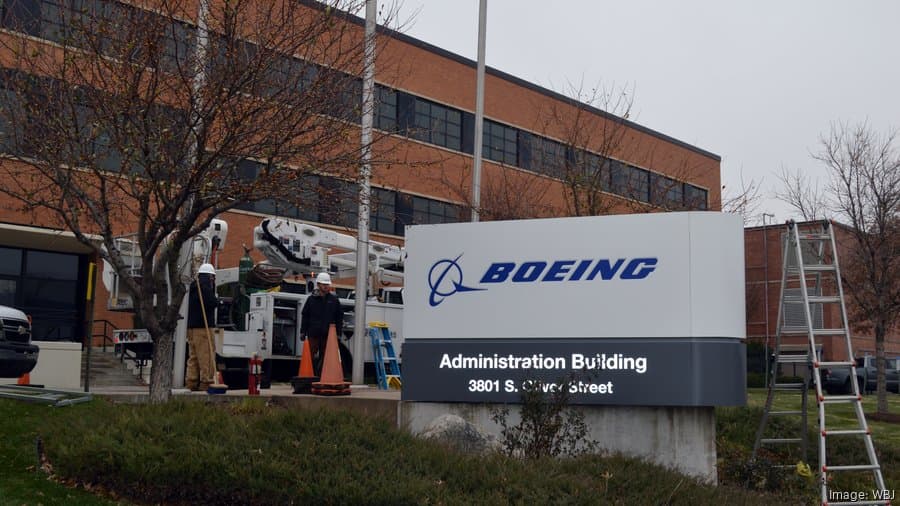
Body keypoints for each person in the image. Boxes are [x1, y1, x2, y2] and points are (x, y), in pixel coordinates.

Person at [300, 272, 344, 376]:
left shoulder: (334, 300)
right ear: (318, 284)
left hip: (328, 335)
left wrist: (338, 333)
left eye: (328, 284)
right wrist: (303, 331)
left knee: (326, 358)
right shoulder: (311, 300)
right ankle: (309, 377)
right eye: (324, 284)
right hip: (313, 333)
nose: (326, 286)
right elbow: (305, 316)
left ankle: (322, 377)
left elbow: (339, 317)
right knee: (310, 356)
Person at [186, 263, 218, 391]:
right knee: (207, 355)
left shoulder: (193, 287)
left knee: (193, 356)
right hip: (203, 327)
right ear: (210, 277)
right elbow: (211, 302)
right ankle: (206, 382)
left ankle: (191, 381)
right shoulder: (205, 287)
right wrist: (216, 300)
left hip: (191, 328)